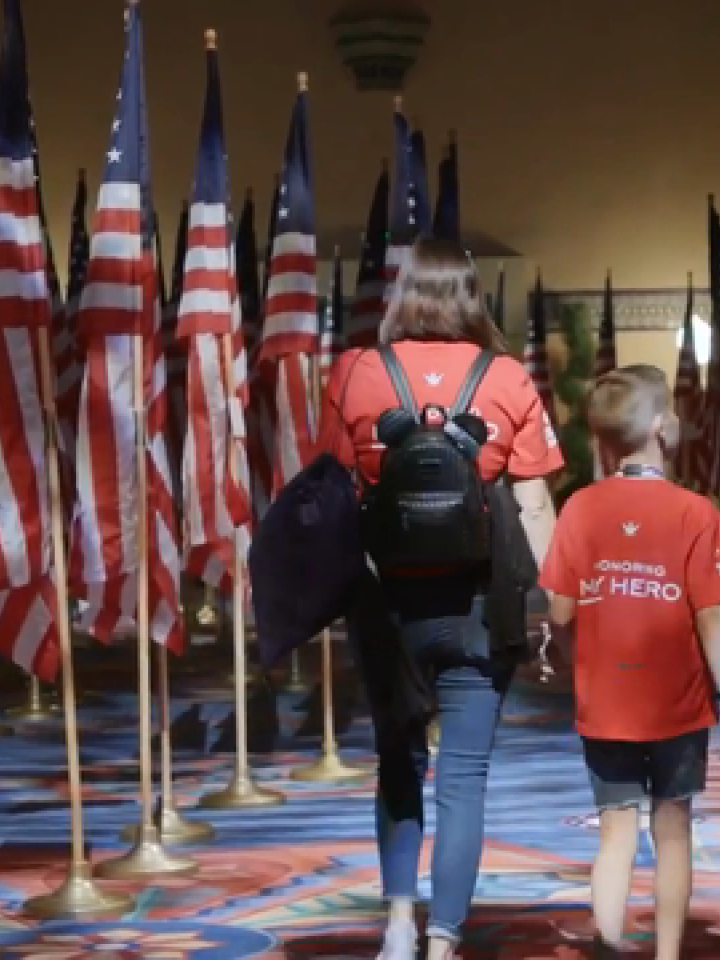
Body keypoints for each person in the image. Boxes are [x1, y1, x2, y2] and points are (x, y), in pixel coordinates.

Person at [317, 236, 562, 960]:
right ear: (471, 297)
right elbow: (537, 505)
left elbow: (329, 495)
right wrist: (549, 608)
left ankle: (397, 921)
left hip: (387, 609)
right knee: (464, 776)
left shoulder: (356, 372)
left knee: (397, 761)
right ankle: (446, 935)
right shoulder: (508, 377)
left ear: (401, 296)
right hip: (480, 607)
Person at [540, 365, 720, 960]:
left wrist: (558, 649)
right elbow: (713, 617)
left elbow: (559, 609)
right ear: (661, 427)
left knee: (614, 829)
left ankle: (606, 945)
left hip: (604, 704)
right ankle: (666, 954)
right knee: (674, 827)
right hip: (678, 706)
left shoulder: (579, 508)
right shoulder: (695, 512)